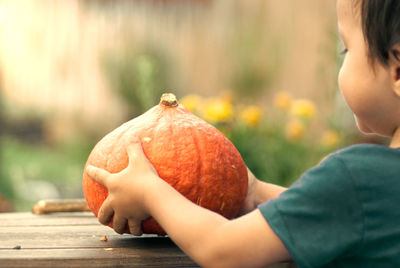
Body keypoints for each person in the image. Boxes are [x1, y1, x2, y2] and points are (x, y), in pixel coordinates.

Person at [86, 0, 400, 266]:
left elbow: (222, 249)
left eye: (346, 49)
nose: (341, 62)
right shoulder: (372, 188)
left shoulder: (358, 178)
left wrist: (150, 191)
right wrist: (258, 193)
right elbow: (337, 213)